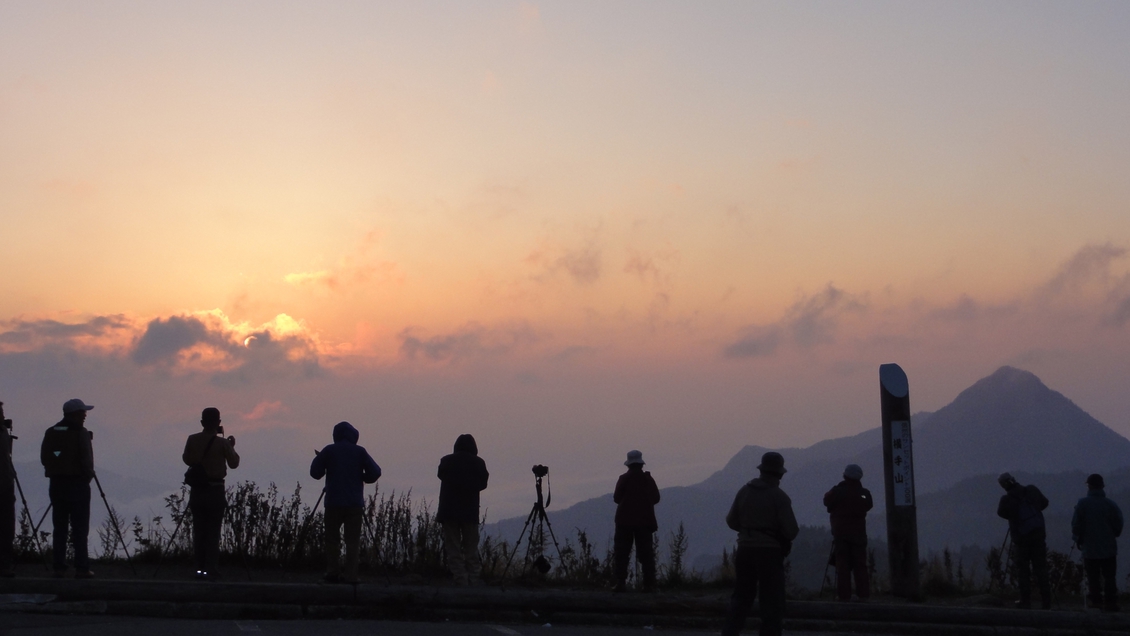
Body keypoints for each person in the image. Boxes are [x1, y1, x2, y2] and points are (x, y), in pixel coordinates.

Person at [722, 451, 799, 636]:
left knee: (741, 597)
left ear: (762, 470)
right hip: (769, 553)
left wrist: (749, 530)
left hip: (744, 551)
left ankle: (729, 633)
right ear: (779, 473)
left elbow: (731, 521)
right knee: (772, 601)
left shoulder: (744, 491)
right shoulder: (779, 497)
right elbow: (791, 531)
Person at [310, 421, 381, 584]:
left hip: (333, 502)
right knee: (353, 541)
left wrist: (326, 464)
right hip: (354, 503)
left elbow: (315, 473)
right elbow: (376, 472)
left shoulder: (329, 451)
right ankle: (351, 575)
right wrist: (362, 478)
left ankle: (332, 572)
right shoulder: (360, 452)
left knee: (332, 540)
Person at [40, 398, 96, 578]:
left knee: (60, 527)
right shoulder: (81, 433)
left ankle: (59, 566)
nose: (85, 415)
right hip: (77, 483)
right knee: (80, 528)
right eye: (82, 412)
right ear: (75, 414)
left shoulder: (51, 431)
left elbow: (44, 457)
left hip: (57, 484)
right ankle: (82, 567)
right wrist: (87, 476)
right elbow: (87, 460)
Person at [182, 407, 239, 580]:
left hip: (198, 489)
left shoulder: (192, 439)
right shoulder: (222, 443)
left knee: (198, 529)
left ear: (202, 422)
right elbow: (234, 463)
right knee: (213, 530)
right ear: (218, 423)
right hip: (215, 489)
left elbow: (187, 459)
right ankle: (211, 567)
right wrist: (230, 446)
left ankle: (198, 568)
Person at [435, 434, 488, 586]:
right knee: (471, 547)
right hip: (469, 512)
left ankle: (460, 578)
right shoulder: (479, 463)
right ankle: (474, 578)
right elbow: (483, 484)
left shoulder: (446, 461)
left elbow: (441, 475)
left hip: (448, 511)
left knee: (453, 546)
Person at [996, 472, 1051, 609]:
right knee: (1041, 569)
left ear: (1003, 485)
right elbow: (1045, 503)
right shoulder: (1032, 490)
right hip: (1038, 536)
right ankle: (1046, 601)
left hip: (1021, 539)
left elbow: (1001, 513)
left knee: (1023, 571)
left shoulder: (1006, 499)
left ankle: (1025, 601)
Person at [1072, 473, 1124, 612]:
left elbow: (1076, 525)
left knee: (1093, 576)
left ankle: (1095, 602)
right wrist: (1113, 534)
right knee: (1109, 576)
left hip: (1090, 547)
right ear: (1102, 486)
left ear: (1089, 486)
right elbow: (1118, 525)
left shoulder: (1082, 504)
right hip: (1109, 547)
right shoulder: (1111, 505)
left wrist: (1078, 538)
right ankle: (1111, 602)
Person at [823, 464, 873, 602]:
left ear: (845, 475)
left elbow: (826, 501)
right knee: (860, 566)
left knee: (843, 565)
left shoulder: (837, 491)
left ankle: (844, 596)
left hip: (841, 534)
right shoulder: (864, 493)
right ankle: (863, 595)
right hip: (859, 534)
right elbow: (869, 505)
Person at [612, 449, 660, 592]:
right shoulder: (648, 479)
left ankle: (621, 583)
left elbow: (616, 498)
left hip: (624, 522)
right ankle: (649, 584)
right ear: (641, 464)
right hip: (644, 522)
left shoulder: (624, 479)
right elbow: (656, 498)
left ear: (628, 465)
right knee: (646, 553)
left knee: (622, 552)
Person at [0, 401, 14, 577]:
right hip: (4, 483)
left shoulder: (3, 431)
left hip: (6, 482)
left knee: (6, 528)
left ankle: (4, 564)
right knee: (5, 526)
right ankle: (4, 565)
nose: (3, 415)